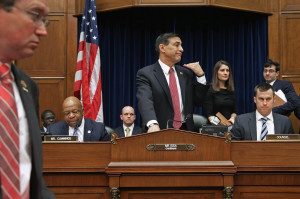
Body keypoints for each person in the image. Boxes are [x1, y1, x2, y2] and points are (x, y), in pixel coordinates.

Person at [0, 0, 55, 198]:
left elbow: (27, 174)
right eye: (35, 15)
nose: (43, 31)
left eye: (44, 20)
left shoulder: (27, 86)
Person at [136, 32, 208, 132]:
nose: (181, 49)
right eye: (176, 45)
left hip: (186, 131)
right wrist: (152, 124)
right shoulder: (146, 74)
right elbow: (145, 101)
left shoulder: (186, 74)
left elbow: (198, 101)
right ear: (162, 48)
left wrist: (200, 76)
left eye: (181, 45)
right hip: (159, 130)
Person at [203, 60, 236, 125]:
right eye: (222, 70)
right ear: (216, 72)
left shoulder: (231, 90)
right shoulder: (209, 89)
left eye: (227, 70)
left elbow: (234, 112)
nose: (225, 73)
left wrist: (232, 118)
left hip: (229, 126)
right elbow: (210, 116)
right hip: (214, 127)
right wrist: (222, 124)